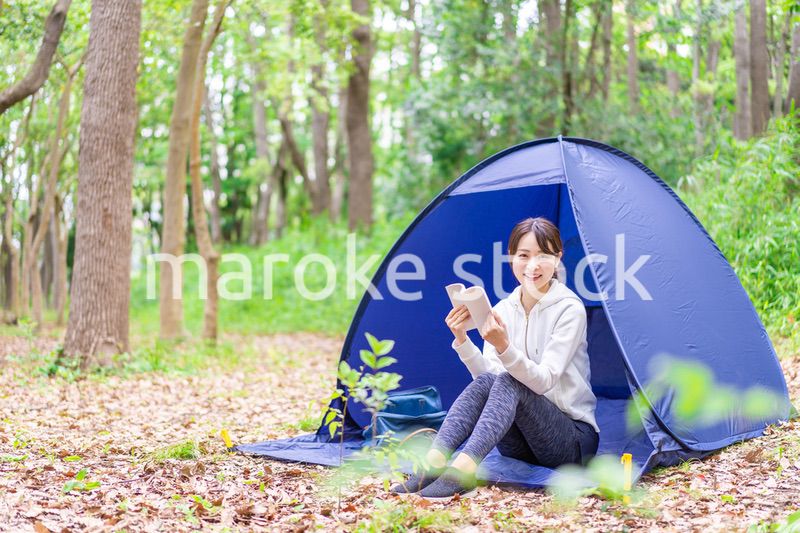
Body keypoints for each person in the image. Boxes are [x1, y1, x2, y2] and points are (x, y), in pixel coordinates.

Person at [392, 217, 600, 500]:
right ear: (511, 257)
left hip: (569, 443)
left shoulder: (569, 309)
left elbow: (544, 381)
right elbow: (488, 382)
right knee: (492, 380)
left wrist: (503, 346)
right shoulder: (503, 309)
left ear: (558, 257)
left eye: (543, 255)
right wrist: (462, 340)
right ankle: (432, 465)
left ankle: (461, 473)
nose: (533, 265)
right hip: (521, 443)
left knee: (509, 381)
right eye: (523, 255)